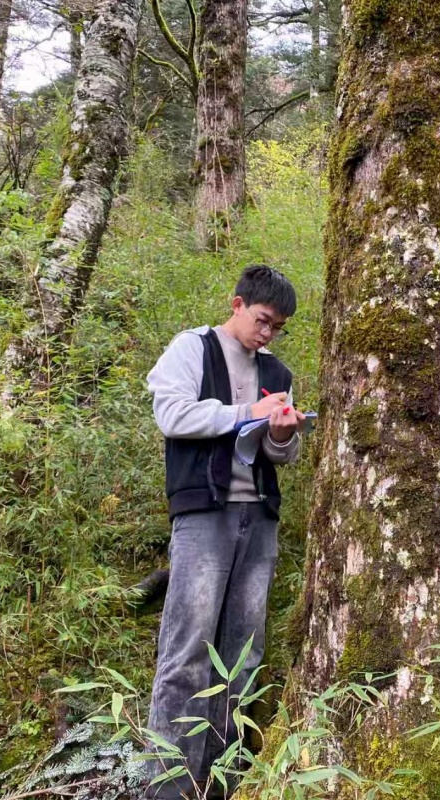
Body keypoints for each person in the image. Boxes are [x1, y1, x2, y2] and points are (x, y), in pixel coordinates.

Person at [144, 265, 307, 799]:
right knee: (188, 650)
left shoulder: (276, 370)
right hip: (203, 514)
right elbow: (172, 415)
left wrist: (281, 433)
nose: (268, 333)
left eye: (277, 327)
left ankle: (221, 783)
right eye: (262, 320)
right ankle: (168, 786)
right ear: (237, 304)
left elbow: (280, 454)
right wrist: (245, 413)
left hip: (257, 517)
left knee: (242, 655)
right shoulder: (194, 348)